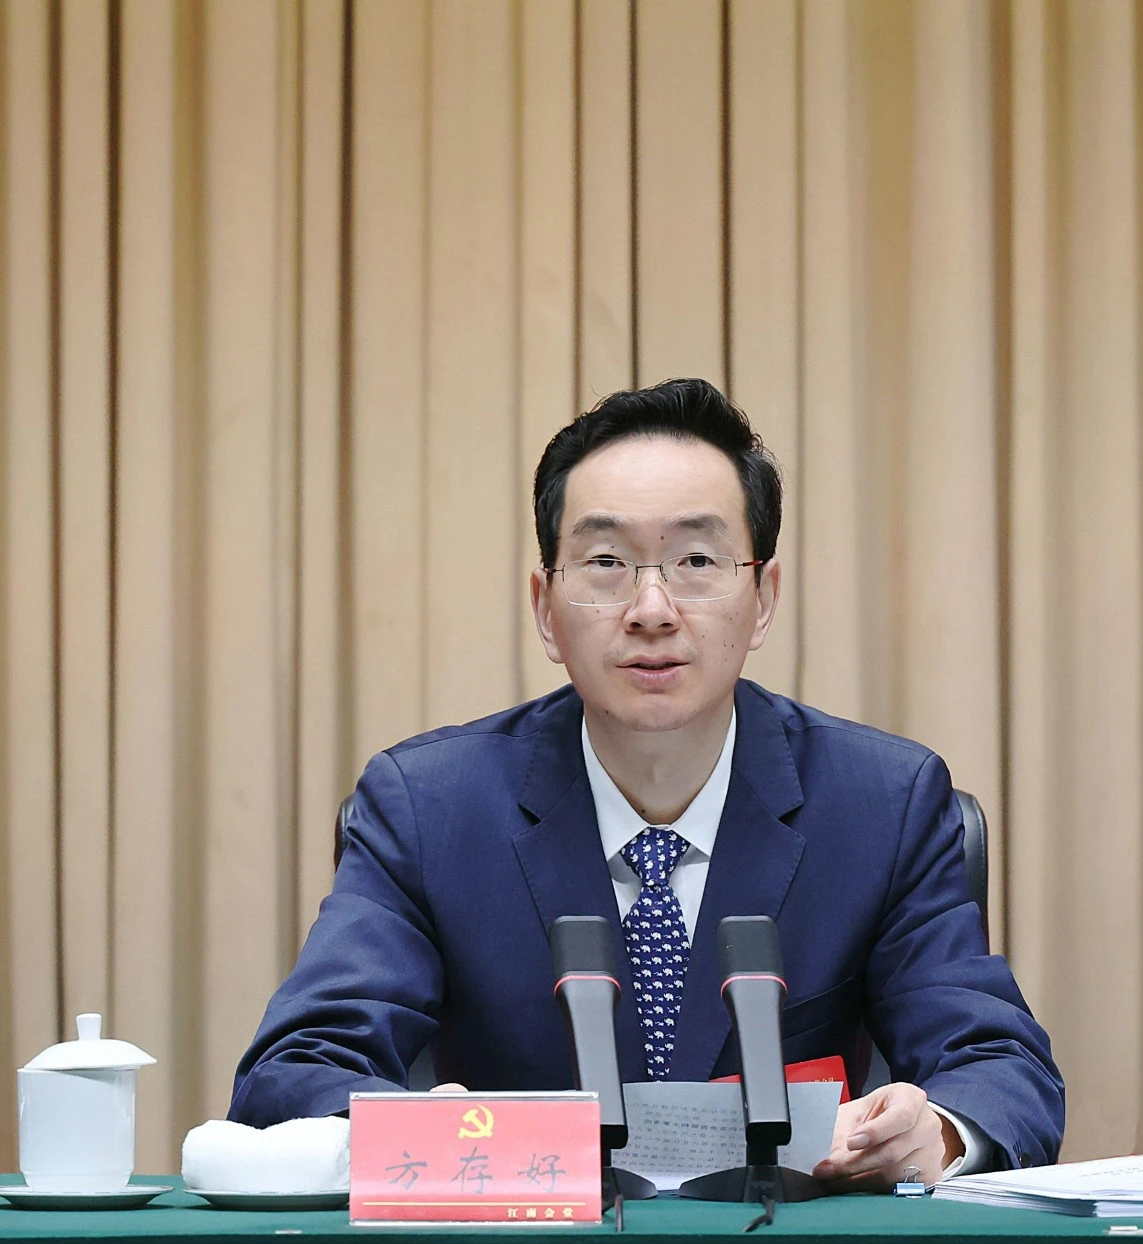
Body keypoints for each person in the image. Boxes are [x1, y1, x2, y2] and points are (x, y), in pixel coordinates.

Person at [230, 378, 1064, 1188]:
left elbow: (1000, 1068)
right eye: (605, 562)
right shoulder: (431, 810)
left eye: (697, 559)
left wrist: (937, 1131)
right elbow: (294, 1071)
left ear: (764, 597)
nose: (653, 609)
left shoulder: (880, 805)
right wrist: (425, 1131)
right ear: (545, 608)